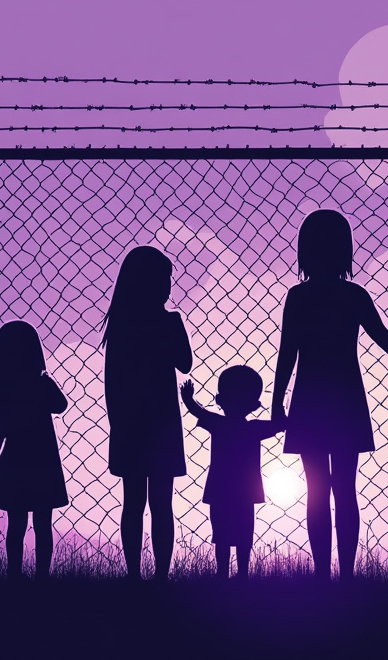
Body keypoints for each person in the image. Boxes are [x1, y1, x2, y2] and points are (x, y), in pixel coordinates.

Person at [271, 208, 388, 581]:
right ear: (345, 250)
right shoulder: (353, 294)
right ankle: (346, 575)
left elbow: (287, 350)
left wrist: (277, 401)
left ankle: (325, 573)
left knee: (317, 491)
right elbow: (380, 333)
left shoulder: (300, 296)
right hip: (345, 397)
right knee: (345, 490)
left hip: (309, 398)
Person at [101, 245, 193, 581]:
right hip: (161, 424)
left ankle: (136, 576)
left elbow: (112, 381)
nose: (170, 285)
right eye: (165, 278)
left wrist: (118, 424)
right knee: (159, 504)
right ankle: (159, 577)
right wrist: (168, 329)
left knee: (135, 503)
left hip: (131, 425)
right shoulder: (167, 322)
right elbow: (185, 362)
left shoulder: (121, 326)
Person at [180, 368, 283, 580]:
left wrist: (189, 399)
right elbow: (280, 425)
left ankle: (223, 575)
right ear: (254, 405)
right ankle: (241, 575)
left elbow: (199, 412)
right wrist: (282, 407)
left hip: (220, 489)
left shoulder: (218, 424)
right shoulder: (253, 428)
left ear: (219, 400)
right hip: (245, 491)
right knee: (243, 534)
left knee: (222, 535)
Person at [0, 321, 69, 580]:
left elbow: (3, 427)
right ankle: (42, 576)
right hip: (43, 458)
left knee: (16, 523)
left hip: (15, 459)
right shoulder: (40, 383)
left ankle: (14, 574)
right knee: (43, 522)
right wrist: (45, 380)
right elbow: (61, 404)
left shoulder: (5, 388)